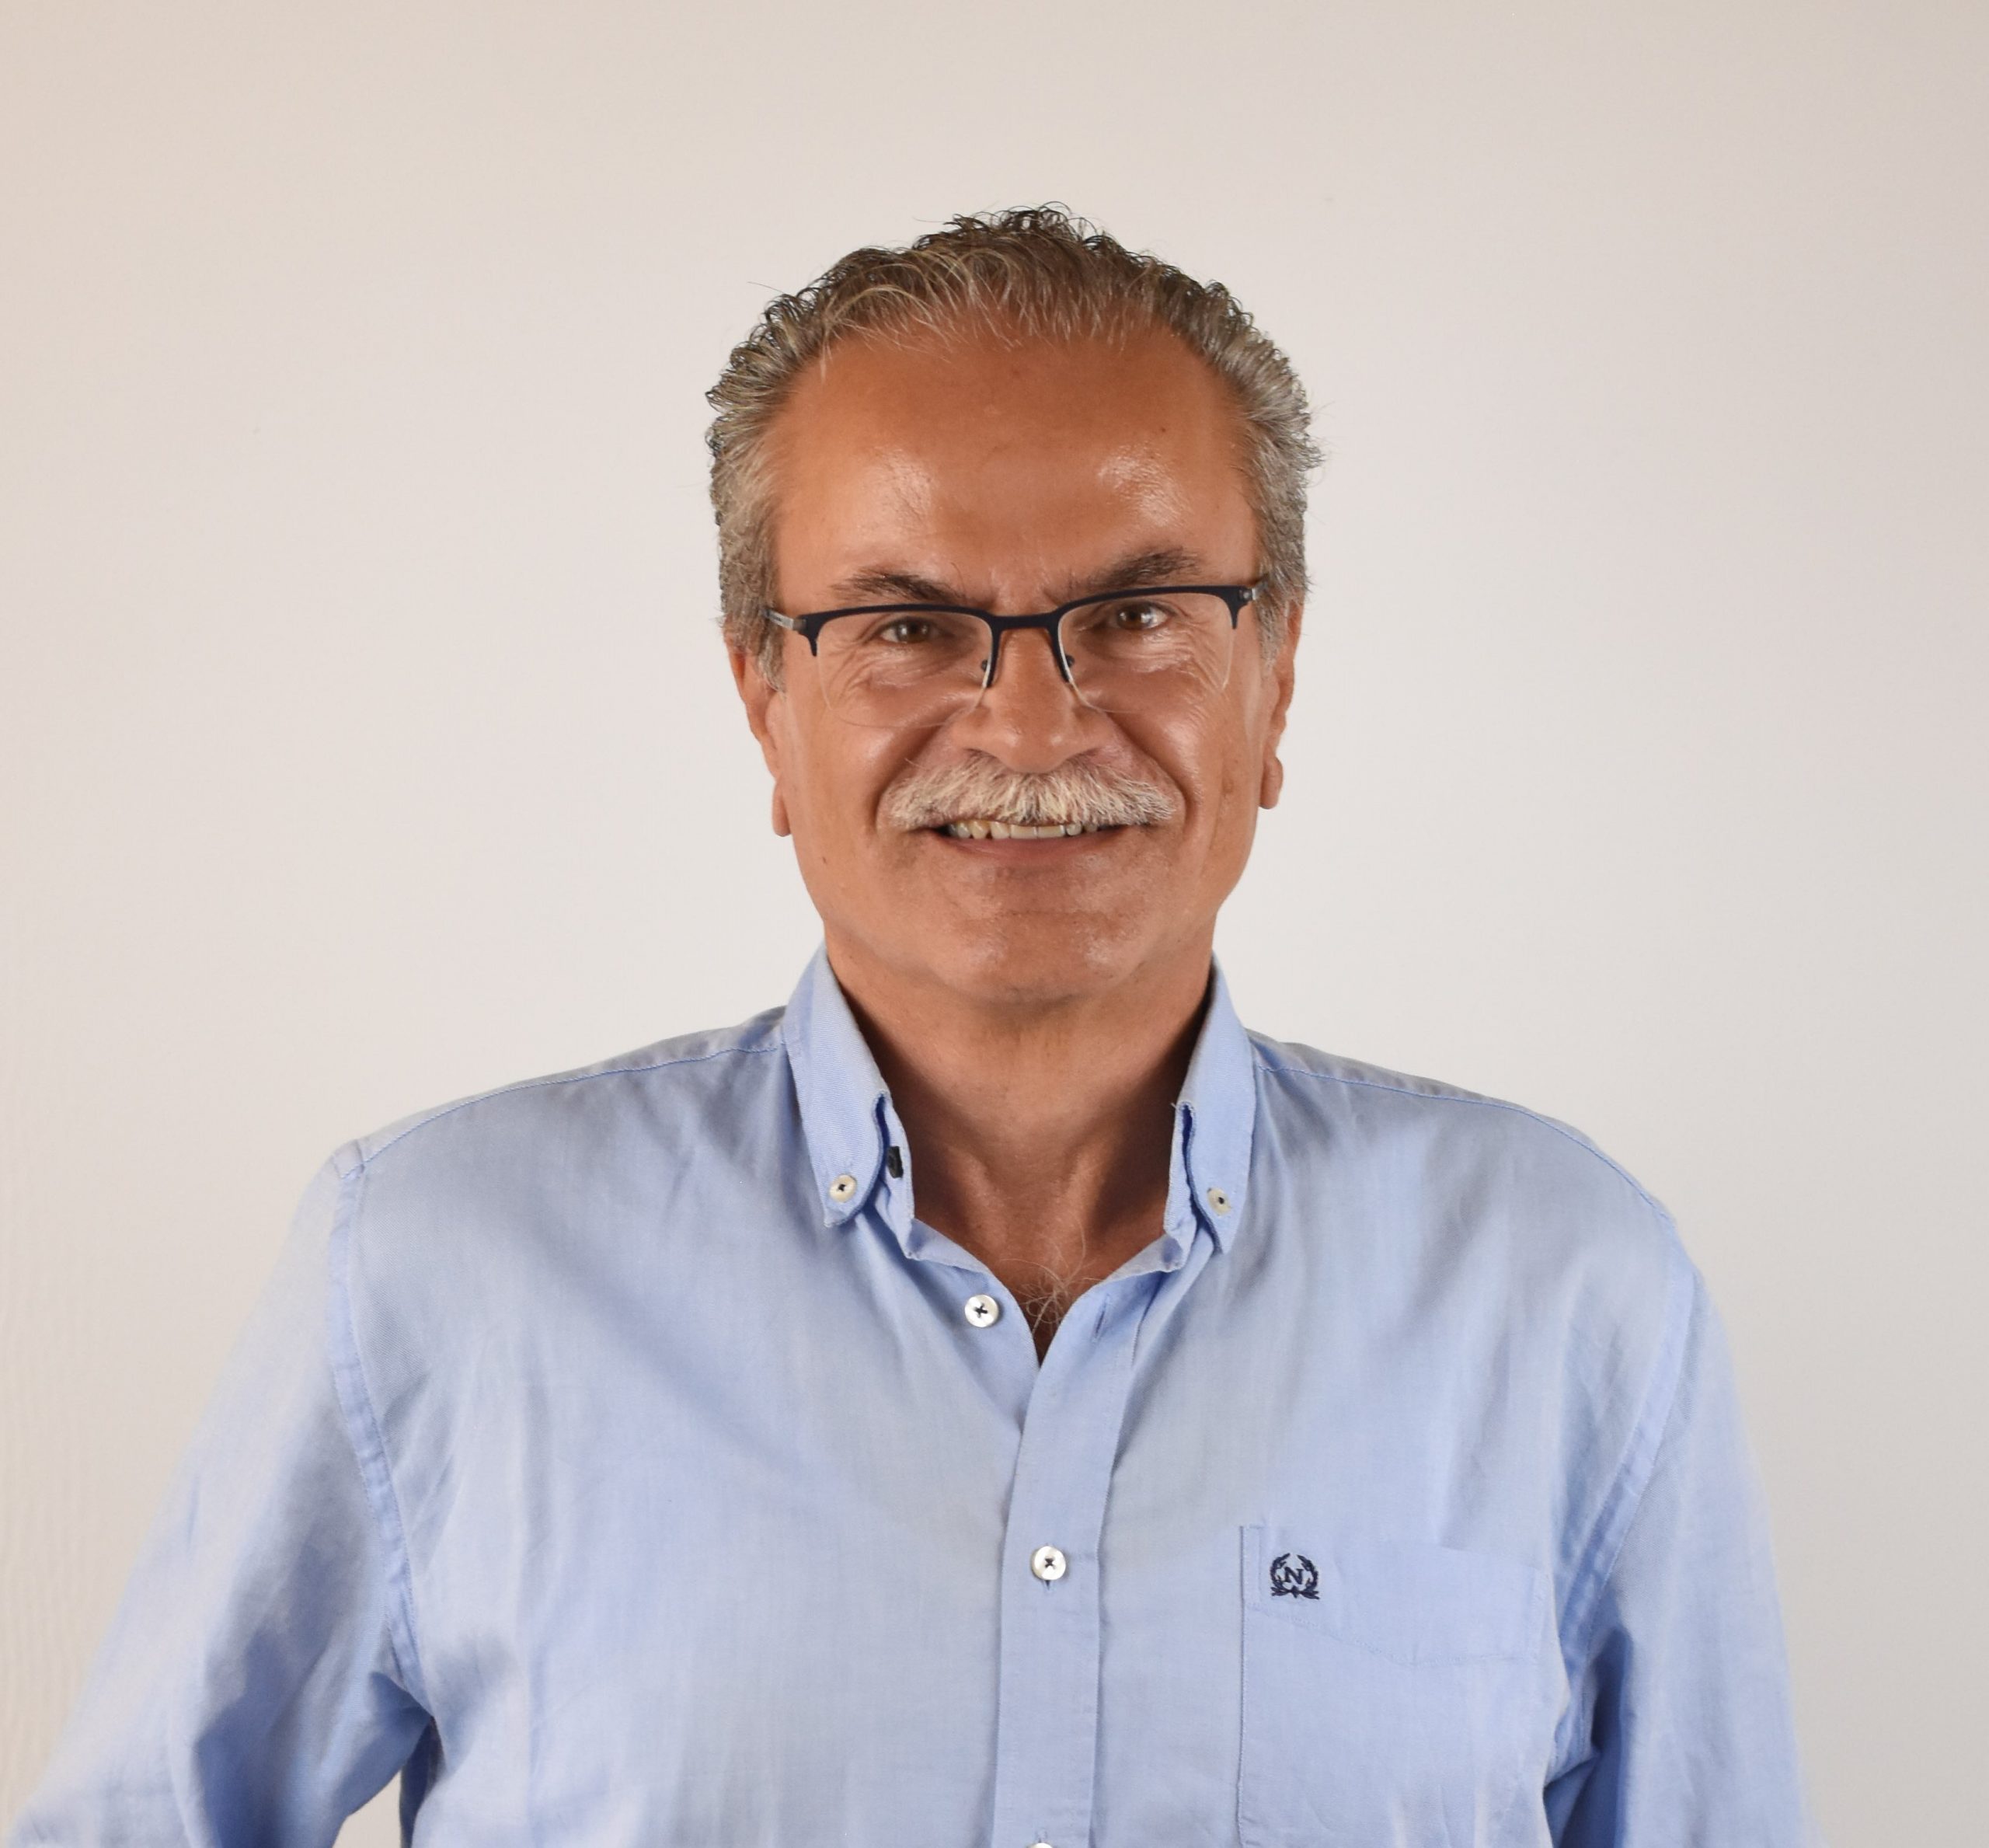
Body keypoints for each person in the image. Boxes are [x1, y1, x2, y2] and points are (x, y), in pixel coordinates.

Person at [12, 207, 1818, 1846]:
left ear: (1272, 677)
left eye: (1136, 612)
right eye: (903, 625)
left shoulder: (1568, 1295)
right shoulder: (433, 1271)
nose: (1029, 727)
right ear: (762, 694)